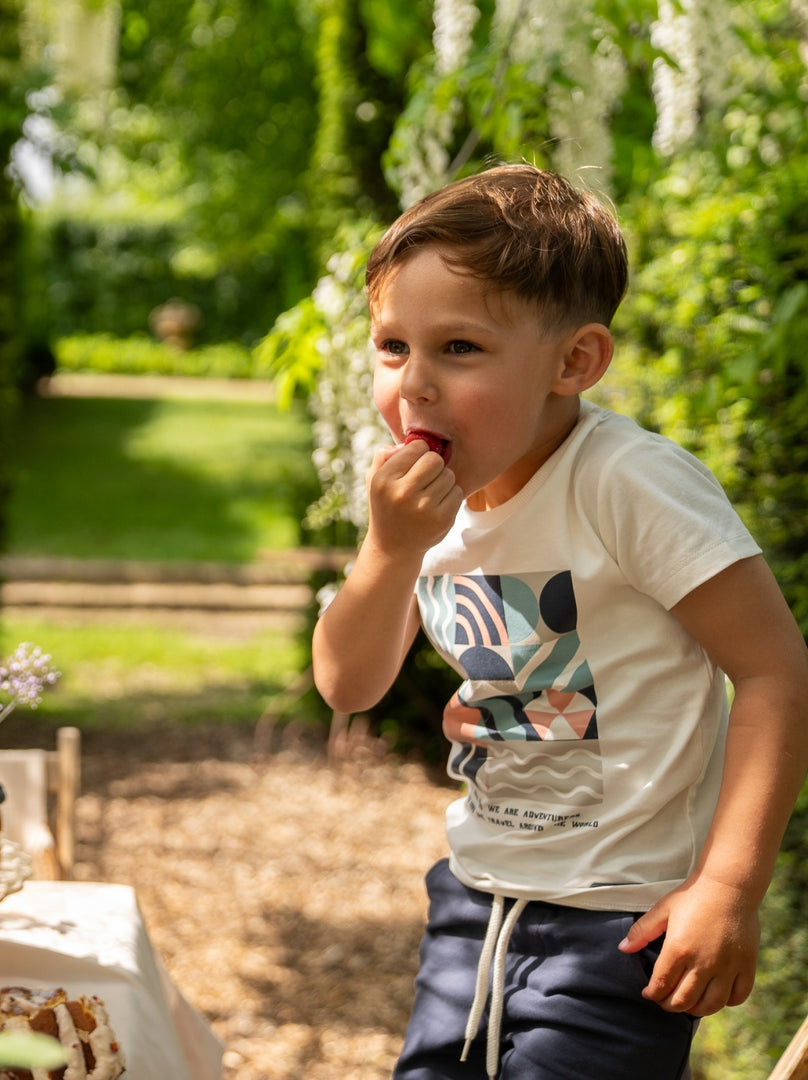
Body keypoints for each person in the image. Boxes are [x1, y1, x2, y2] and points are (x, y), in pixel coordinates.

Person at [311, 163, 808, 1080]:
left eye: (459, 348)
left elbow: (776, 670)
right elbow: (349, 683)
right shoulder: (426, 503)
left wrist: (730, 887)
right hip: (476, 897)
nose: (413, 385)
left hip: (619, 924)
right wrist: (389, 555)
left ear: (574, 362)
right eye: (392, 346)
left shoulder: (628, 484)